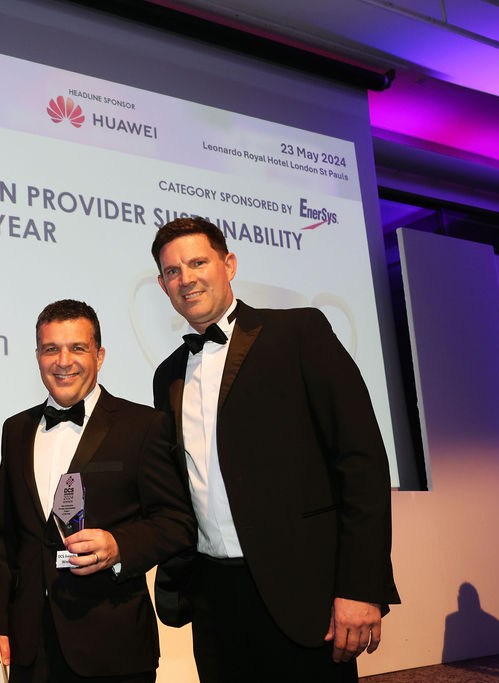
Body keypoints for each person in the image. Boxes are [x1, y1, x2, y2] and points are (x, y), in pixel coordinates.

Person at [150, 217, 399, 682]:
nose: (186, 279)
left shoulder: (298, 332)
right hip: (214, 600)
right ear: (163, 286)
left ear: (229, 265)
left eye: (198, 263)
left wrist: (361, 585)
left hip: (305, 591)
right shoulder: (167, 374)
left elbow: (361, 461)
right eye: (172, 271)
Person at [0, 299, 196, 683]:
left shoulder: (142, 425)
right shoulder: (15, 429)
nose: (63, 361)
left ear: (99, 355)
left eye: (77, 348)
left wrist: (119, 546)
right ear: (37, 356)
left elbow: (177, 522)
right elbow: (2, 535)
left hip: (112, 646)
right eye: (51, 349)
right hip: (31, 648)